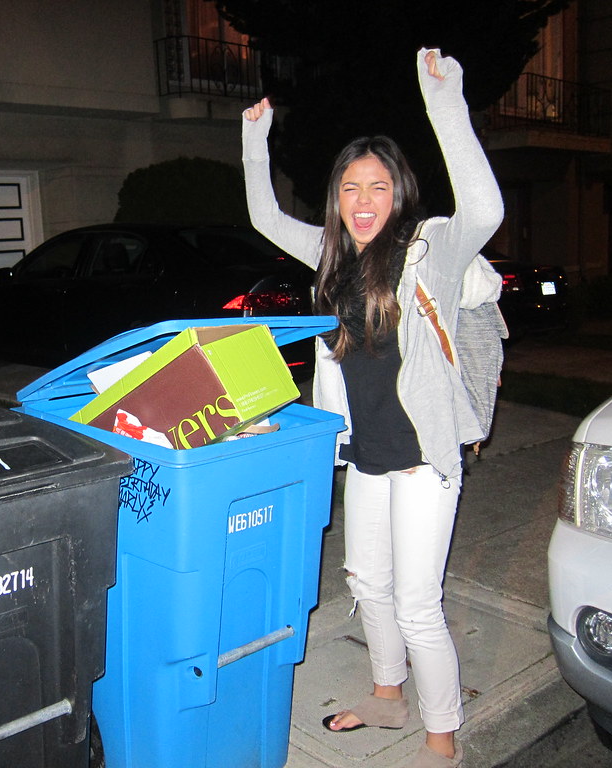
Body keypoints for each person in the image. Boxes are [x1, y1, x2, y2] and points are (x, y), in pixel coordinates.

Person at [241, 48, 504, 768]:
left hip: (423, 462)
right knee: (366, 580)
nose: (362, 199)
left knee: (419, 602)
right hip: (365, 458)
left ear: (398, 193)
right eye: (350, 186)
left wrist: (445, 103)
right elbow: (265, 217)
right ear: (337, 197)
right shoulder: (332, 258)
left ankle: (442, 739)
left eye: (378, 186)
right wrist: (255, 140)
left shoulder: (430, 253)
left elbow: (485, 208)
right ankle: (388, 694)